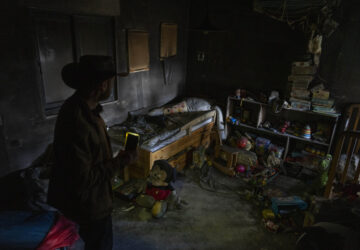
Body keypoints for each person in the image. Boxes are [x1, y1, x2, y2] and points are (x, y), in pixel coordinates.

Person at [47, 55, 135, 250]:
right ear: (103, 85)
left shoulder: (85, 109)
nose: (111, 85)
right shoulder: (78, 121)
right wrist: (119, 162)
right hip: (89, 204)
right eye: (111, 81)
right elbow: (83, 179)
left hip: (86, 200)